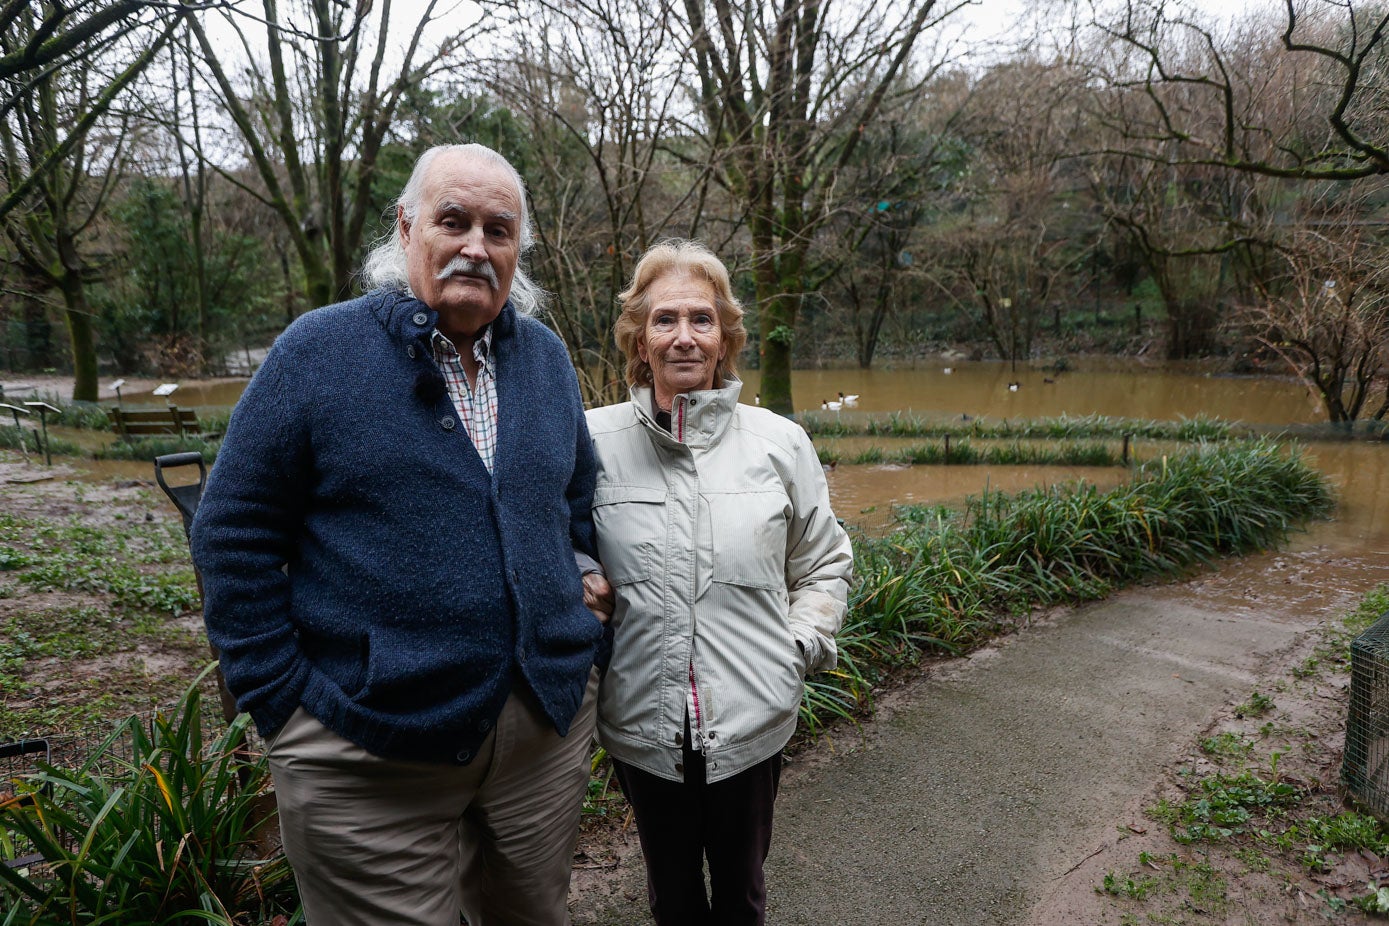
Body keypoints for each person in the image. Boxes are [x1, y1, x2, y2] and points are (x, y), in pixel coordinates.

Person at [189, 142, 609, 926]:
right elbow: (232, 531)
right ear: (407, 226)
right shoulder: (318, 352)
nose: (476, 247)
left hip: (537, 741)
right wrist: (280, 702)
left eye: (499, 229)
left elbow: (576, 496)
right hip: (367, 749)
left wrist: (581, 604)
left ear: (520, 248)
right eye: (454, 221)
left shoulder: (545, 360)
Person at [585, 240, 854, 925]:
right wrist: (581, 574)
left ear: (725, 339)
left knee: (740, 896)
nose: (683, 337)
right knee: (671, 898)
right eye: (664, 320)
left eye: (701, 320)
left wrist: (793, 650)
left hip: (751, 722)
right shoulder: (590, 442)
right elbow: (552, 543)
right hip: (643, 727)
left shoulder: (778, 442)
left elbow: (822, 562)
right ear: (638, 342)